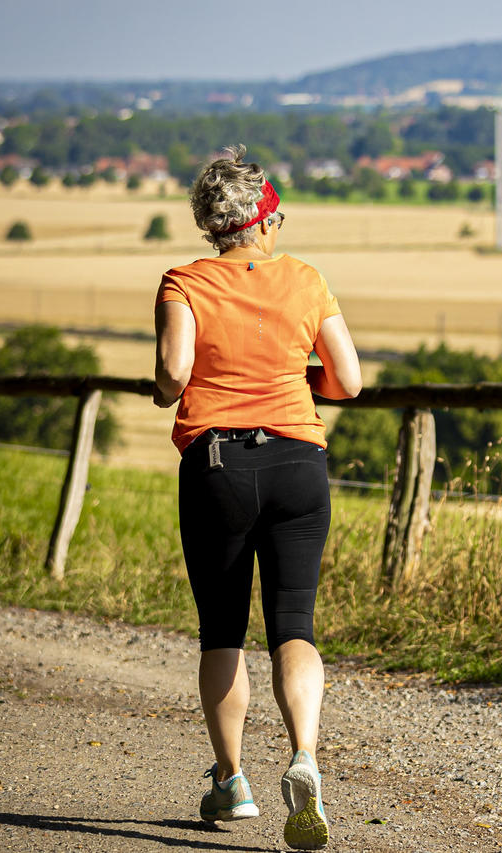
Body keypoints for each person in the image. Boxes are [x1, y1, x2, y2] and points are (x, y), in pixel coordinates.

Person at [154, 146, 361, 850]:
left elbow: (175, 370)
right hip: (300, 459)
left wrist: (165, 390)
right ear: (265, 218)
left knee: (222, 629)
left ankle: (233, 779)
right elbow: (349, 380)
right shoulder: (305, 279)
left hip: (217, 466)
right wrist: (302, 383)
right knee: (293, 623)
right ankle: (303, 753)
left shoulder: (184, 280)